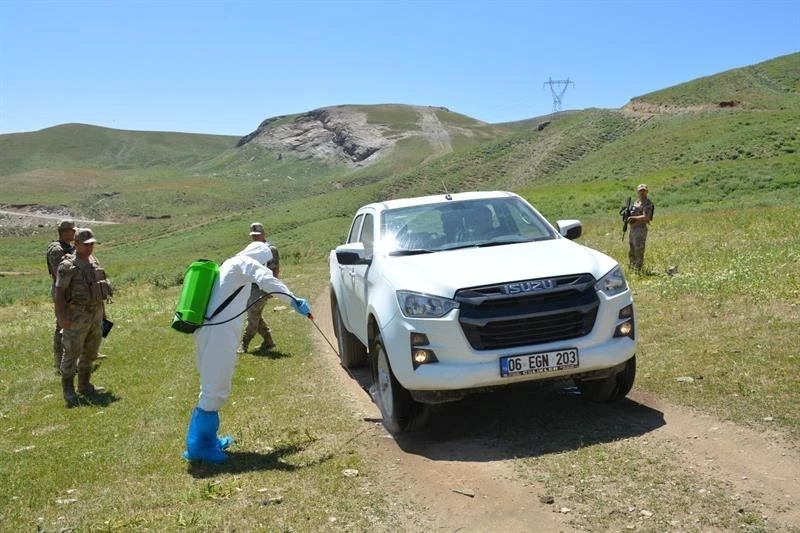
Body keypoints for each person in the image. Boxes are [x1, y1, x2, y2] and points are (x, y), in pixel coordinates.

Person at [183, 241, 311, 463]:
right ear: (261, 258)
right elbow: (267, 280)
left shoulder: (231, 263)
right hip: (217, 335)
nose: (265, 266)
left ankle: (208, 440)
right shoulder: (245, 263)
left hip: (210, 332)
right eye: (265, 263)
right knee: (215, 389)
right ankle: (199, 447)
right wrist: (293, 300)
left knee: (212, 386)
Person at [54, 228, 114, 407]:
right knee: (72, 351)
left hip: (95, 314)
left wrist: (103, 314)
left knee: (91, 350)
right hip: (76, 316)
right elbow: (59, 293)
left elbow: (97, 288)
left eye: (92, 244)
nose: (90, 247)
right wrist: (62, 318)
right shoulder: (67, 265)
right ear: (76, 244)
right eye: (86, 244)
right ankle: (68, 390)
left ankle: (85, 385)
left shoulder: (94, 261)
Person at [238, 222, 281, 354]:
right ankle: (268, 341)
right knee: (255, 314)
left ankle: (244, 344)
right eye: (253, 235)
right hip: (251, 286)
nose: (255, 238)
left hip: (263, 287)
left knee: (252, 314)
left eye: (257, 235)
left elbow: (275, 270)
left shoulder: (270, 249)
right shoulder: (251, 250)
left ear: (263, 234)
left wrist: (270, 288)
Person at [47, 219, 76, 372]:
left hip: (71, 292)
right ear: (64, 232)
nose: (75, 233)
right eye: (73, 230)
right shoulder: (57, 250)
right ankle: (60, 363)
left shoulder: (68, 247)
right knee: (62, 327)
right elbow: (62, 274)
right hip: (62, 293)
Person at [627, 184, 655, 273]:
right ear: (638, 192)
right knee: (632, 249)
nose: (642, 192)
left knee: (639, 250)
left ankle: (638, 269)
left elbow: (646, 217)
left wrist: (634, 218)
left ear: (647, 191)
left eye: (644, 190)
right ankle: (632, 267)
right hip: (633, 229)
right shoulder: (636, 202)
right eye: (640, 191)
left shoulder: (647, 203)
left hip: (640, 229)